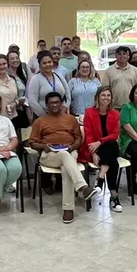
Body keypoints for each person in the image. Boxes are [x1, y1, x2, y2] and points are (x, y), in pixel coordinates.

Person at [27, 92, 97, 224]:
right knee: (65, 156)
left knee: (66, 168)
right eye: (51, 103)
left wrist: (71, 147)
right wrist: (43, 146)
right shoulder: (40, 121)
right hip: (49, 155)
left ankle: (68, 209)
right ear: (47, 105)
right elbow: (32, 142)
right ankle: (83, 188)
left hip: (70, 151)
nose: (54, 105)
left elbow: (78, 138)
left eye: (57, 102)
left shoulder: (70, 119)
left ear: (61, 104)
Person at [79, 86, 124, 212]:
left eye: (108, 95)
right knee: (113, 162)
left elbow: (115, 134)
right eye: (103, 95)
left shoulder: (115, 114)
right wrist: (93, 153)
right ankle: (114, 196)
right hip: (93, 149)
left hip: (107, 146)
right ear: (97, 97)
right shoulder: (89, 112)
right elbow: (88, 135)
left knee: (112, 144)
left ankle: (100, 179)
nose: (106, 98)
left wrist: (100, 141)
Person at [27, 50, 72, 118]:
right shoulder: (35, 79)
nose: (47, 65)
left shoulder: (59, 76)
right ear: (39, 65)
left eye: (49, 62)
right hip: (42, 117)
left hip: (61, 115)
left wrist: (63, 110)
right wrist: (46, 117)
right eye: (44, 63)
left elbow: (68, 96)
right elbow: (32, 101)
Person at [101, 46, 137, 110]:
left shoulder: (135, 70)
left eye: (124, 54)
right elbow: (105, 88)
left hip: (132, 106)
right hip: (114, 107)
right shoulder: (108, 71)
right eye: (119, 54)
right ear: (116, 55)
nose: (122, 56)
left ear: (128, 56)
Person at [0, 54, 21, 120]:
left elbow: (16, 98)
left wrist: (15, 103)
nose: (2, 66)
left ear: (7, 64)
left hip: (13, 118)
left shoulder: (12, 80)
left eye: (4, 64)